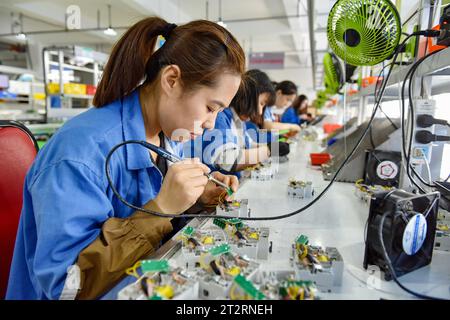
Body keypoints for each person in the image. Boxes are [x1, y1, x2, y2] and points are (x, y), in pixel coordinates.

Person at [6, 17, 245, 300]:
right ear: (171, 80)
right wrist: (161, 208)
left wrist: (195, 197)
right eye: (209, 107)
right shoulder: (80, 154)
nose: (211, 125)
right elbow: (67, 287)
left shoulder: (166, 135)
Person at [187, 69, 290, 178]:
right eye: (261, 103)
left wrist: (274, 146)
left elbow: (249, 145)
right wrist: (269, 150)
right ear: (249, 95)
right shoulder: (221, 117)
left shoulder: (239, 121)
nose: (260, 111)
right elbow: (228, 160)